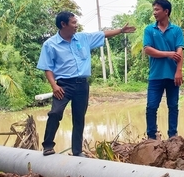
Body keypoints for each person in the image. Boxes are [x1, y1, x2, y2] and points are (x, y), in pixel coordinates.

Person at [37, 11, 135, 156]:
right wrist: (54, 86)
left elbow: (103, 34)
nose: (76, 25)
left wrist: (120, 31)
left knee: (79, 118)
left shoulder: (83, 38)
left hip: (82, 85)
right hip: (63, 85)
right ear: (63, 24)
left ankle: (77, 152)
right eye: (73, 23)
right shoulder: (50, 44)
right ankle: (48, 146)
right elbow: (47, 68)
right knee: (55, 113)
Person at [143, 0, 184, 140]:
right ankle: (151, 137)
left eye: (157, 9)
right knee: (151, 107)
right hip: (155, 76)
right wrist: (168, 53)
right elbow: (148, 50)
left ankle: (173, 136)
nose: (154, 12)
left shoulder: (176, 30)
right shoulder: (150, 30)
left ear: (166, 12)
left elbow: (180, 51)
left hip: (173, 75)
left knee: (173, 106)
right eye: (154, 9)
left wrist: (179, 71)